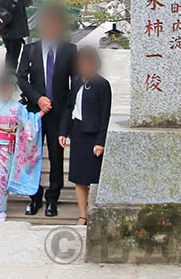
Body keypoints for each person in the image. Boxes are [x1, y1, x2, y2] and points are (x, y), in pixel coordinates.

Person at [16, 3, 76, 217]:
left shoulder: (70, 50)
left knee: (57, 156)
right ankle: (34, 197)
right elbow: (21, 79)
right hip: (35, 113)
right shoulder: (30, 49)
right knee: (32, 155)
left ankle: (53, 198)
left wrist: (68, 116)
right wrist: (38, 98)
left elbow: (74, 84)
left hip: (59, 113)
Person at [0, 70, 43, 221]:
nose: (6, 91)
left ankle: (0, 209)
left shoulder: (17, 108)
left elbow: (28, 123)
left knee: (3, 180)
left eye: (9, 88)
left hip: (9, 148)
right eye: (3, 87)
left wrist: (39, 116)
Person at [60, 46, 112, 226]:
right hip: (78, 132)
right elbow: (69, 107)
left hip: (93, 134)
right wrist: (63, 131)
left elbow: (105, 114)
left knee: (93, 176)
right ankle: (83, 214)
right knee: (79, 177)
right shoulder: (76, 81)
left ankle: (95, 211)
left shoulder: (101, 84)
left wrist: (101, 141)